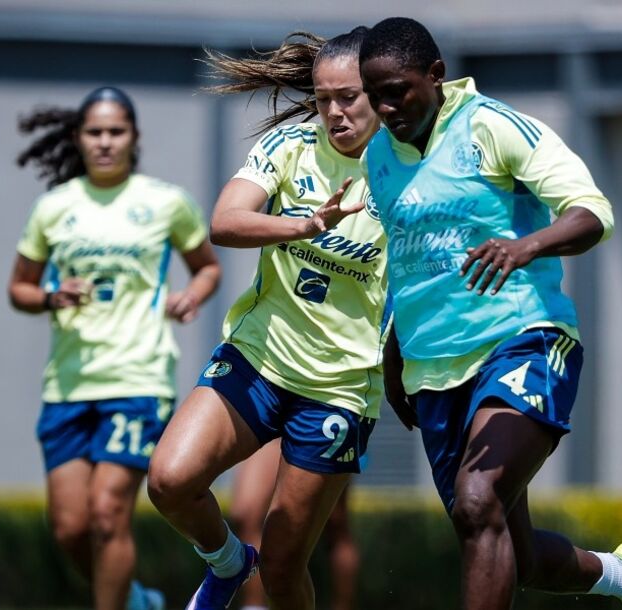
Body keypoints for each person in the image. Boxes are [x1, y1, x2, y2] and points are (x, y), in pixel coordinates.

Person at [359, 17, 622, 610]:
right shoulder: (378, 157)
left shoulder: (492, 127)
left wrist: (525, 246)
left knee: (478, 501)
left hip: (525, 340)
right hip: (435, 372)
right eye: (376, 96)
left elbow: (591, 212)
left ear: (436, 76)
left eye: (397, 91)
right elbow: (404, 262)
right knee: (510, 553)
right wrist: (393, 357)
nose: (387, 107)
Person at [146, 28, 386, 610]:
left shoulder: (408, 171)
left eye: (348, 96)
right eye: (324, 97)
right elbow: (225, 221)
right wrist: (304, 225)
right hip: (258, 358)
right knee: (169, 481)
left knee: (284, 567)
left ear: (379, 92)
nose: (334, 111)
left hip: (339, 389)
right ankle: (228, 564)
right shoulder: (290, 146)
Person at [10, 86, 221, 610]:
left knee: (108, 514)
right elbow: (19, 288)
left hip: (137, 379)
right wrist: (51, 297)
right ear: (79, 138)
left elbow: (208, 267)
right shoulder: (54, 208)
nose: (105, 142)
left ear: (134, 137)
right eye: (95, 132)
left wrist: (190, 295)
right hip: (68, 384)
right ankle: (137, 600)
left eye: (116, 131)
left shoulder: (165, 202)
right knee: (70, 530)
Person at [229, 441, 360, 610]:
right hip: (274, 427)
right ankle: (254, 606)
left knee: (336, 525)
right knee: (246, 514)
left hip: (322, 423)